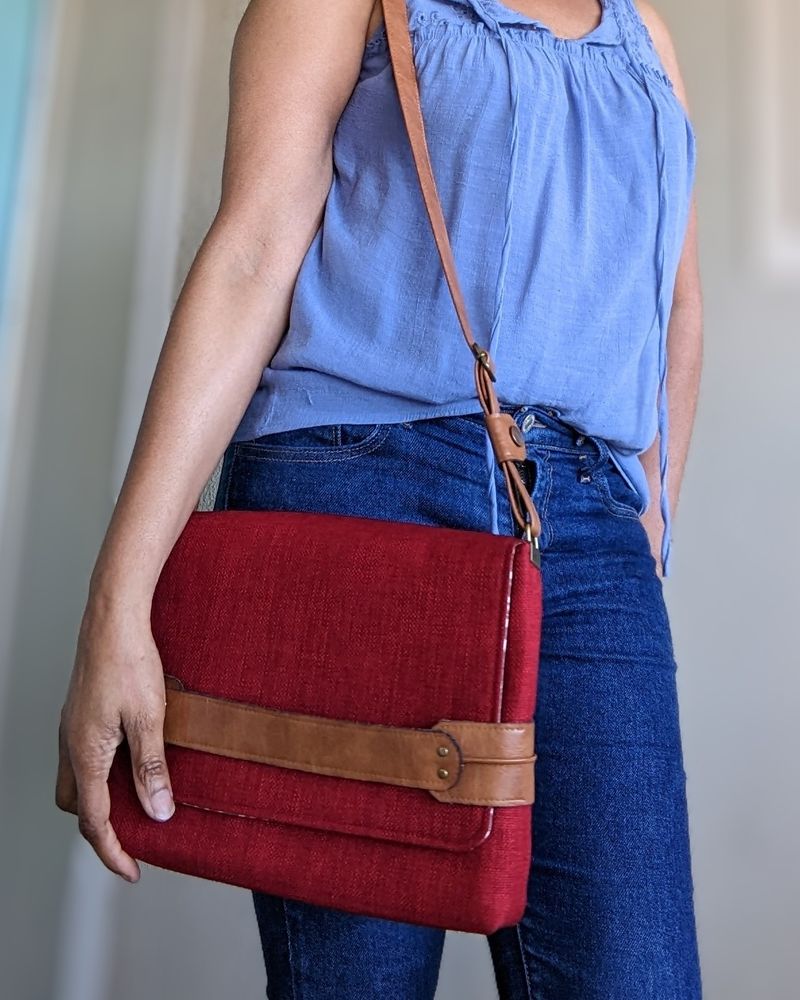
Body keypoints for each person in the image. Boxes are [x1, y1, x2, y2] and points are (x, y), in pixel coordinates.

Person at [55, 0, 704, 996]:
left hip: (584, 532)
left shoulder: (644, 40)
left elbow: (671, 307)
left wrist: (641, 526)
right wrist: (119, 603)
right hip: (361, 507)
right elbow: (248, 255)